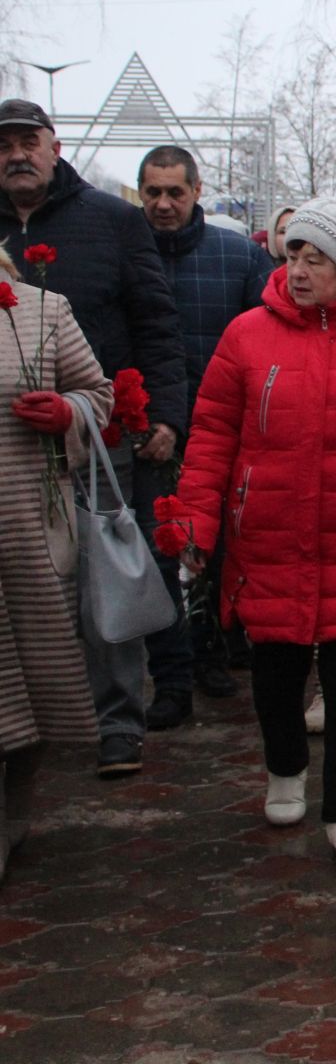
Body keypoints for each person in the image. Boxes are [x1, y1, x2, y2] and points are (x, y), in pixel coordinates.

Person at [173, 198, 336, 876]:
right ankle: (284, 768)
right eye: (293, 255)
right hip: (268, 539)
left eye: (316, 259)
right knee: (276, 677)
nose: (299, 270)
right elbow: (211, 439)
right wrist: (195, 522)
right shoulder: (246, 336)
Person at [0, 98, 187, 781]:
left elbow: (156, 322)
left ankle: (116, 723)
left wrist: (164, 414)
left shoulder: (112, 221)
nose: (17, 154)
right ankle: (28, 728)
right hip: (6, 454)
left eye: (29, 141)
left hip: (96, 438)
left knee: (101, 581)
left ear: (55, 146)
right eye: (4, 145)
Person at [138, 144, 274, 713]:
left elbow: (267, 340)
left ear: (197, 191)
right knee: (155, 548)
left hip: (225, 430)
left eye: (175, 192)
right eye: (153, 192)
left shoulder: (238, 257)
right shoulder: (128, 250)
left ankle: (213, 650)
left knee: (218, 548)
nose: (164, 204)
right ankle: (171, 670)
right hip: (148, 432)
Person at [0, 243, 114, 883]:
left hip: (27, 523)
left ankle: (16, 804)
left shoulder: (42, 311)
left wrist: (67, 412)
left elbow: (98, 396)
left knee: (36, 673)